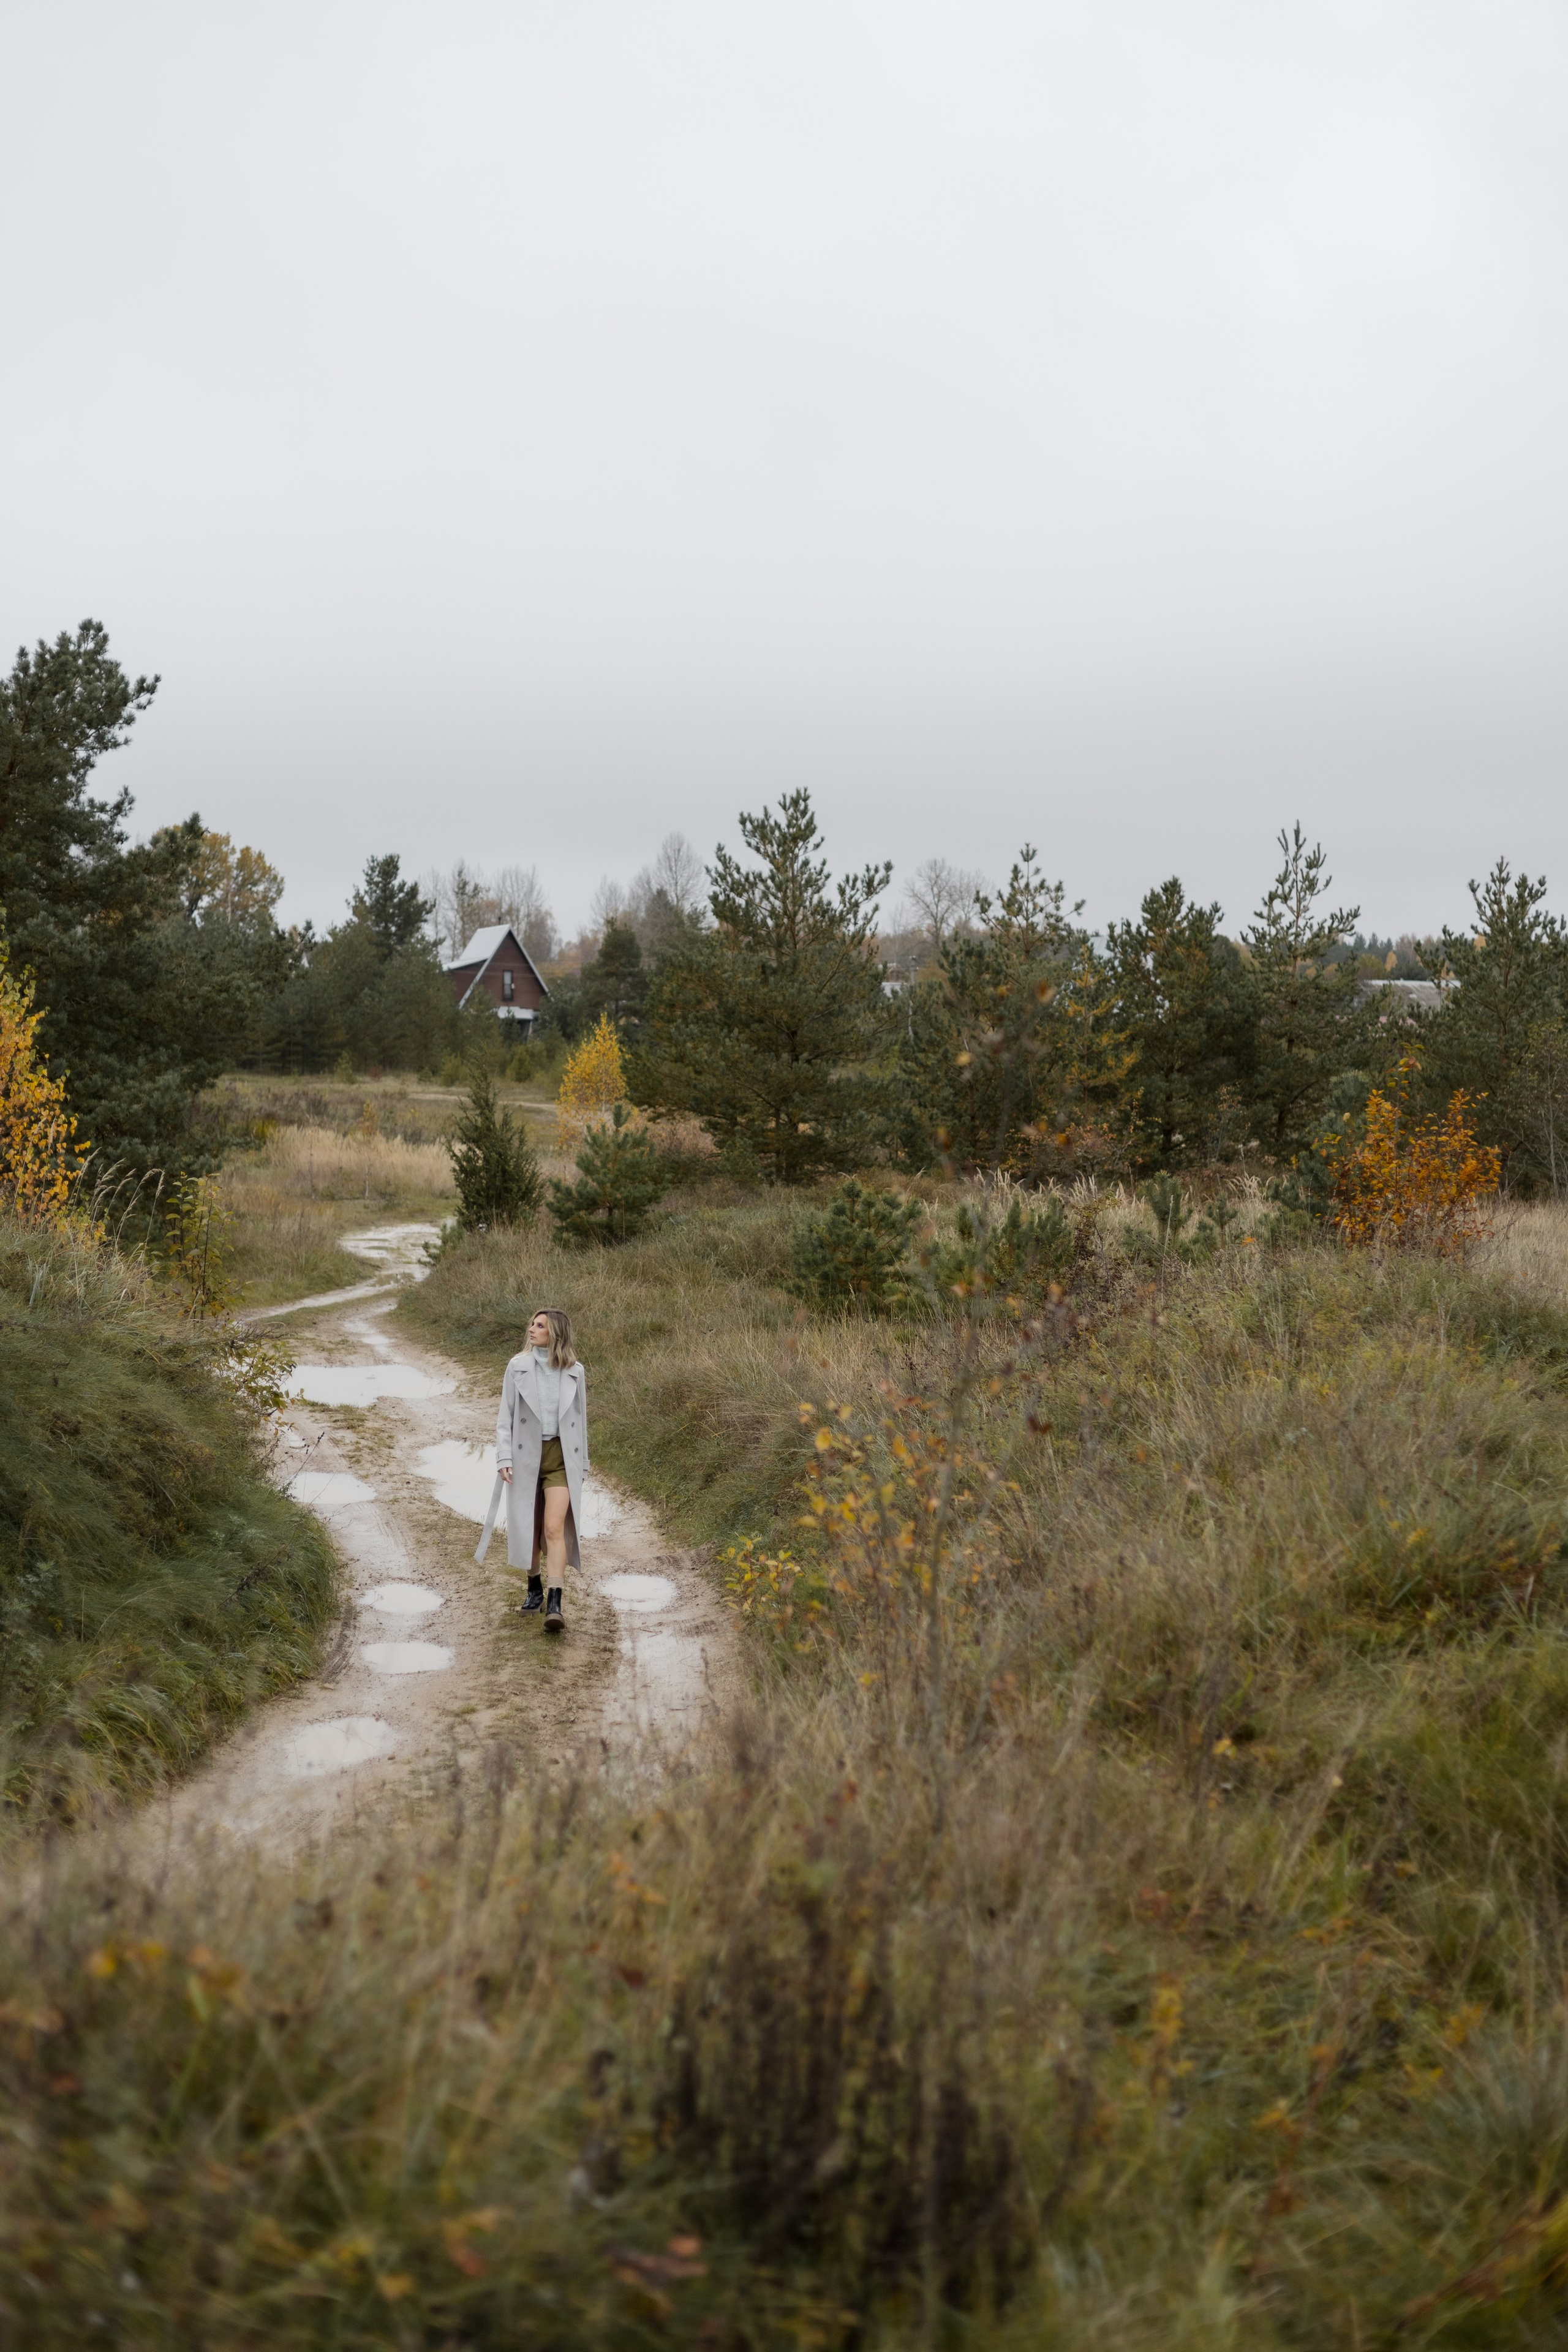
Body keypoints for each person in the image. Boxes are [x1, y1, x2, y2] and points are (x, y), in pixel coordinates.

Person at [474, 1306, 586, 1634]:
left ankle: (555, 1602)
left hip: (562, 1457)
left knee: (554, 1528)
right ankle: (534, 1588)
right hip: (526, 1456)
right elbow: (504, 1417)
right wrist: (503, 1458)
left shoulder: (575, 1371)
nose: (532, 1329)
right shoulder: (517, 1367)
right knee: (530, 1527)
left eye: (540, 1326)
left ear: (556, 1333)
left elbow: (581, 1423)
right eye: (532, 1324)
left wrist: (584, 1464)